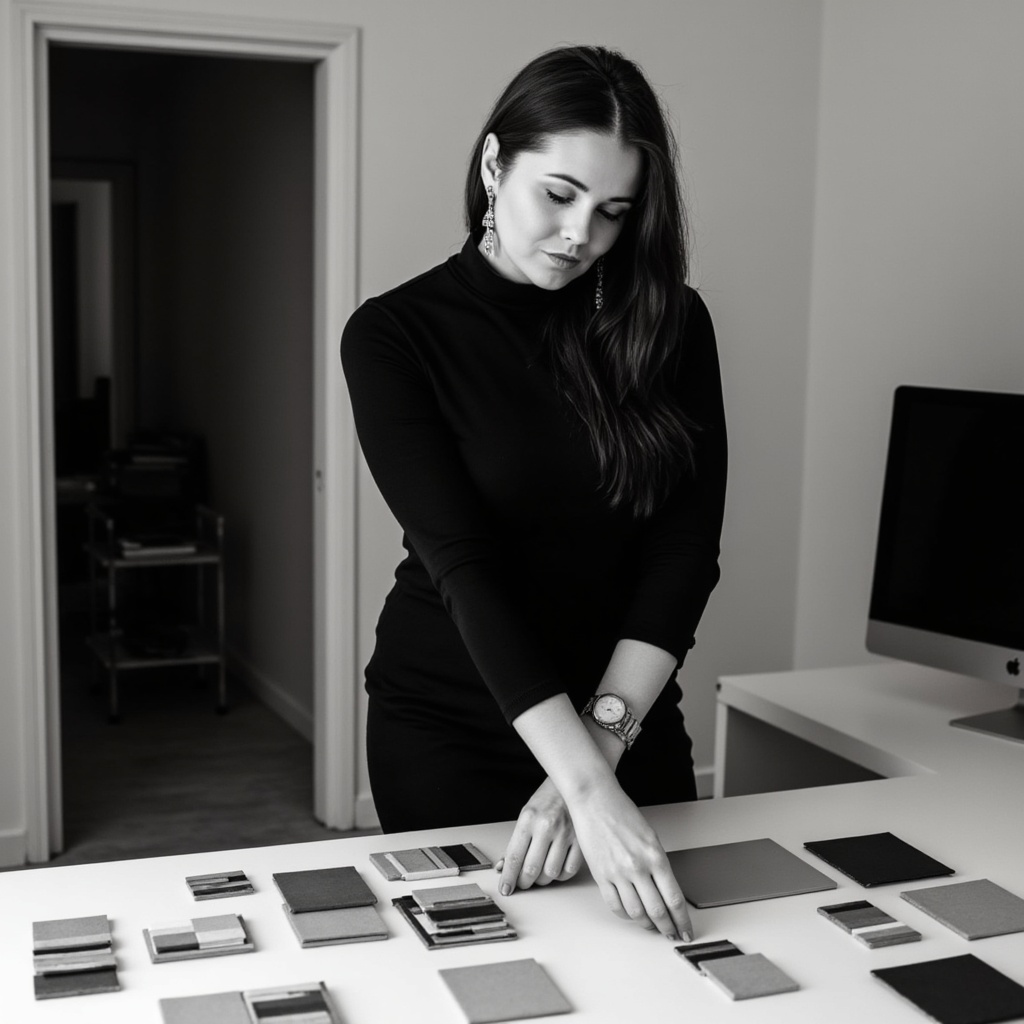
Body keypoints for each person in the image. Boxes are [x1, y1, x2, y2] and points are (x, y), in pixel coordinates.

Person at [341, 45, 727, 944]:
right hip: (453, 725)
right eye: (558, 194)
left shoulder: (672, 323)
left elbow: (685, 551)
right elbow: (463, 566)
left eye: (613, 212)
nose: (579, 234)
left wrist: (598, 757)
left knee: (670, 968)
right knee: (487, 975)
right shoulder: (394, 335)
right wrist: (583, 786)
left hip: (626, 719)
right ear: (494, 164)